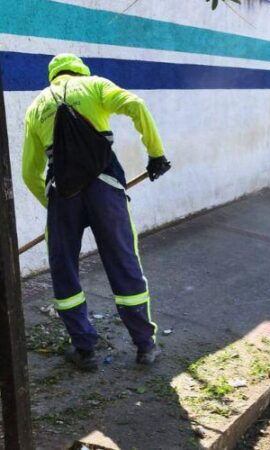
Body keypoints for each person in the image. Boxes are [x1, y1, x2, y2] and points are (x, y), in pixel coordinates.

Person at [22, 54, 172, 371]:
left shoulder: (36, 107)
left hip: (62, 194)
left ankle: (84, 349)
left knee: (64, 269)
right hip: (105, 187)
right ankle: (145, 346)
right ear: (80, 70)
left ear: (52, 76)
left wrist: (54, 207)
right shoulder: (94, 85)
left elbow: (28, 173)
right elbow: (136, 105)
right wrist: (156, 154)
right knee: (123, 261)